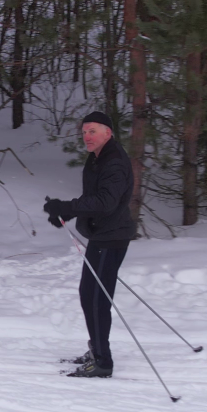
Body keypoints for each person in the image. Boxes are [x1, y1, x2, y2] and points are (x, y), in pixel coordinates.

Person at [42, 112, 135, 378]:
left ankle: (103, 361)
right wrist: (68, 213)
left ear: (108, 132)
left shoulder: (113, 162)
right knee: (88, 294)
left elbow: (106, 202)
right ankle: (97, 349)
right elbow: (94, 199)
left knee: (96, 299)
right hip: (102, 234)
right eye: (84, 132)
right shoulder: (98, 157)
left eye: (92, 131)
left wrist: (67, 207)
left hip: (111, 237)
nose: (86, 137)